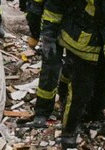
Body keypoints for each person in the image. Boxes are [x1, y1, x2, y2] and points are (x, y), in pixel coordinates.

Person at [42, 0, 105, 148]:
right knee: (80, 92)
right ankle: (69, 131)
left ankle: (94, 116)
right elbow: (55, 5)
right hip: (83, 40)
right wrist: (48, 35)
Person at [20, 0, 71, 129]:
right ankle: (42, 110)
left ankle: (65, 99)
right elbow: (35, 9)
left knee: (72, 65)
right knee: (50, 69)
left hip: (78, 24)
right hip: (51, 25)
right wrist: (41, 35)